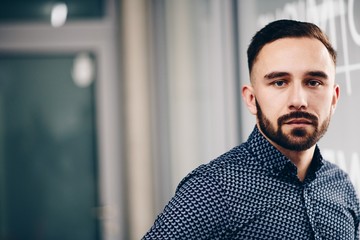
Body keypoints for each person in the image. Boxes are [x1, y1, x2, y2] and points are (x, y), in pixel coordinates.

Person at [143, 19, 360, 239]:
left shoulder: (340, 185)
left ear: (333, 98)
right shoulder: (213, 189)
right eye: (279, 82)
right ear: (251, 98)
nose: (298, 100)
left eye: (313, 82)